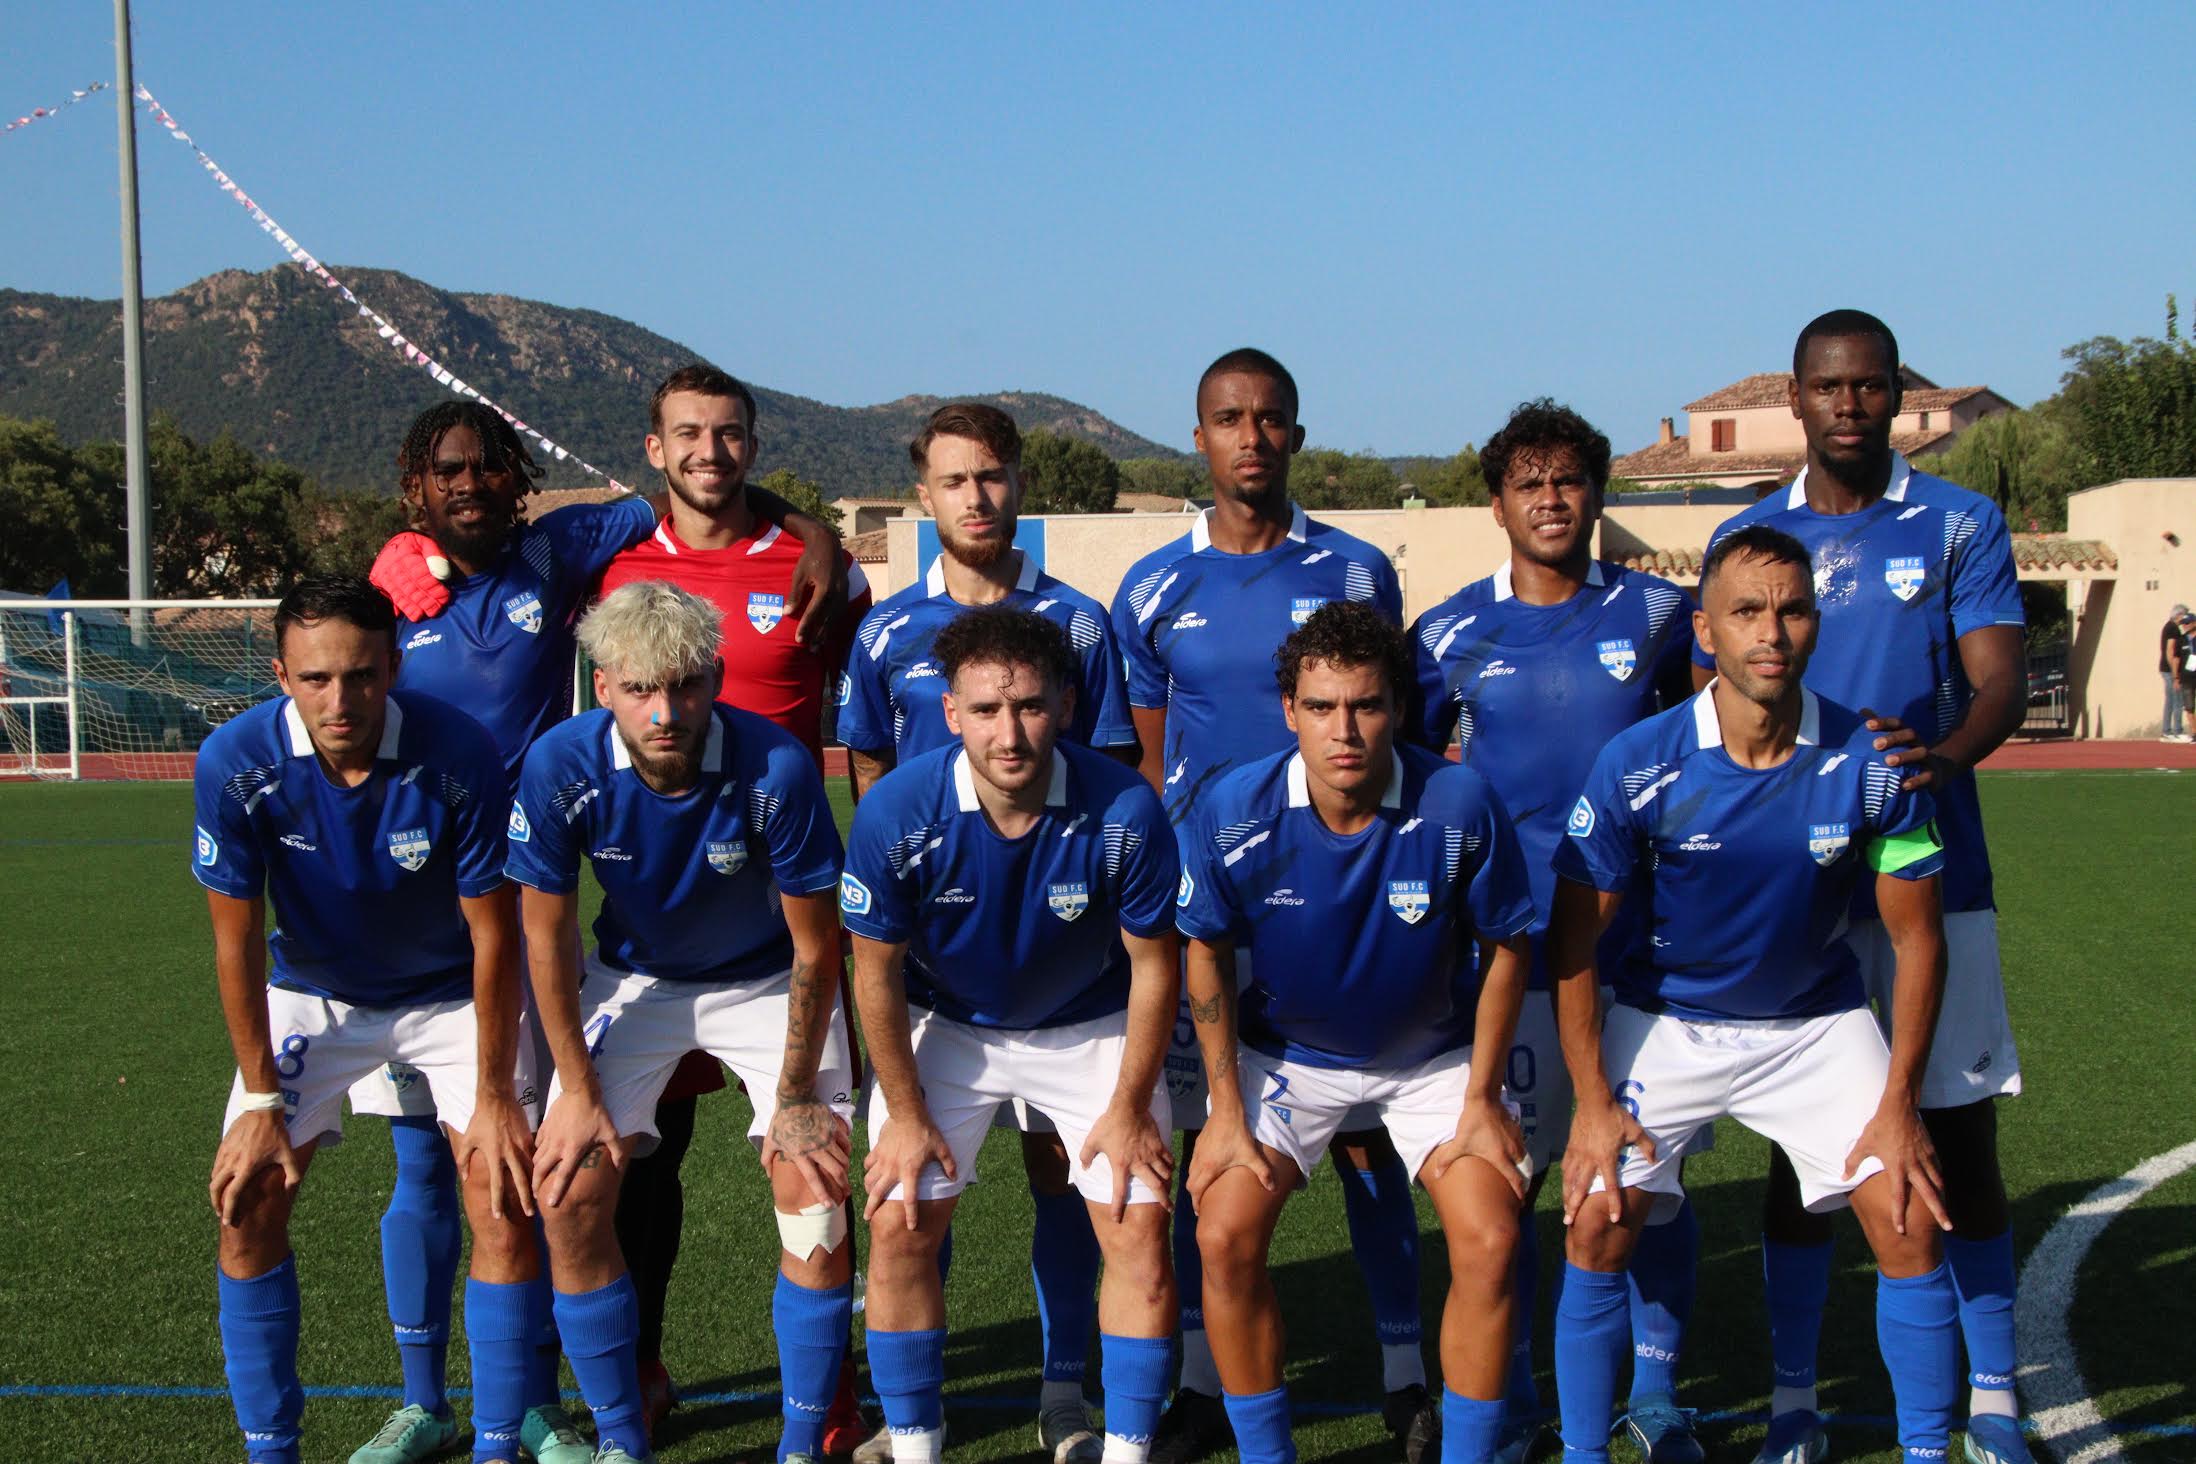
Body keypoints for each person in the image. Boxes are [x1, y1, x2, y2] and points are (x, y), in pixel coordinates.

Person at [357, 398, 850, 1460]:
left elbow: (705, 484)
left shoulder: (569, 545)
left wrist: (814, 530)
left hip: (729, 952)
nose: (472, 485)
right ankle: (457, 1402)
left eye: (491, 466)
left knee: (777, 1181)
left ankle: (567, 1407)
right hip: (431, 907)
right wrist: (388, 558)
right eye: (448, 471)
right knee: (458, 1168)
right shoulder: (391, 598)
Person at [1550, 524, 1961, 1464]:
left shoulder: (1873, 762)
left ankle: (1932, 1451)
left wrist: (1899, 1107)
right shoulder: (1639, 763)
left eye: (1792, 609)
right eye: (1746, 611)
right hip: (1671, 1021)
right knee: (1600, 1212)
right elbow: (1573, 939)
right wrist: (1591, 1104)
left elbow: (1917, 936)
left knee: (1904, 1214)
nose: (1771, 631)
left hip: (1817, 1025)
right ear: (1706, 632)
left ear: (1815, 625)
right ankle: (1583, 1451)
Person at [1701, 312, 2030, 1464]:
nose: (1850, 405)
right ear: (1796, 396)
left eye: (1872, 388)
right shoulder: (1750, 534)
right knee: (1808, 1155)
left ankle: (1992, 1399)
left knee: (1957, 1134)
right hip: (1798, 895)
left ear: (1899, 398)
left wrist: (1932, 764)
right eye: (1830, 388)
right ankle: (1797, 1401)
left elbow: (1997, 680)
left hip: (1935, 877)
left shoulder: (1959, 523)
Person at [1110, 349, 1430, 1463]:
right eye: (1229, 419)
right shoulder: (1151, 586)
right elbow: (1153, 770)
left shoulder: (1354, 571)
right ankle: (1204, 1380)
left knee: (1370, 1144)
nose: (1251, 436)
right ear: (1198, 437)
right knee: (1211, 1141)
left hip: (1339, 891)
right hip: (1214, 907)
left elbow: (1395, 732)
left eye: (1270, 419)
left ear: (1296, 434)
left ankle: (1405, 1377)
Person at [840, 401, 1137, 1463]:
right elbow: (875, 789)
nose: (977, 497)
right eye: (955, 480)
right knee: (920, 1193)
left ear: (1020, 486)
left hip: (1067, 969)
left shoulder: (1081, 622)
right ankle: (915, 1411)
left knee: (1067, 1176)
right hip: (939, 978)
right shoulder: (883, 630)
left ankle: (1066, 1388)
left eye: (995, 477)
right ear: (924, 494)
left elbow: (1107, 785)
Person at [1176, 600, 1537, 1464]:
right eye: (1324, 707)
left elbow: (1509, 944)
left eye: (1367, 705)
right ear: (1290, 711)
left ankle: (1468, 1455)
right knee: (1221, 1235)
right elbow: (1204, 952)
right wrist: (1224, 1109)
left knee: (1491, 1237)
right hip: (1289, 1058)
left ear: (1398, 710)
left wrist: (1482, 1097)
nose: (1347, 730)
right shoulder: (1233, 806)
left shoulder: (1459, 799)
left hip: (1432, 1062)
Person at [1407, 399, 1700, 1464]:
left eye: (1568, 480)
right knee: (1511, 1185)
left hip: (1637, 948)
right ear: (1497, 506)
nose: (1550, 500)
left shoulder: (1664, 614)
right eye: (1528, 484)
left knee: (1648, 1184)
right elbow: (1404, 775)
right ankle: (1515, 1391)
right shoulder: (1445, 633)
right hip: (1503, 952)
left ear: (1596, 493)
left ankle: (1657, 1392)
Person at [507, 581, 857, 1464]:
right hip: (635, 978)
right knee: (571, 1193)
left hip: (768, 977)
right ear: (602, 687)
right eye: (638, 689)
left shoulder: (777, 766)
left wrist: (790, 1100)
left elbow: (818, 950)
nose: (665, 713)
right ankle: (623, 1440)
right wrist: (577, 1092)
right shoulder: (560, 765)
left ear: (717, 678)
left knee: (813, 1192)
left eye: (688, 687)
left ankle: (800, 1445)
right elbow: (543, 940)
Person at [193, 575, 536, 1464]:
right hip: (317, 992)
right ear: (280, 674)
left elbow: (492, 933)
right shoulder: (236, 761)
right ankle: (273, 1450)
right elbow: (234, 947)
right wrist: (262, 1103)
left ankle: (497, 1443)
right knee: (247, 1200)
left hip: (453, 994)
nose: (338, 700)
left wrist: (495, 1091)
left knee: (502, 1194)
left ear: (392, 665)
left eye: (359, 675)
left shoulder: (457, 752)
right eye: (314, 679)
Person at [595, 364, 872, 1436]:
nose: (711, 452)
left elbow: (865, 705)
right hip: (654, 920)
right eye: (688, 436)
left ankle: (829, 1400)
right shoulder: (612, 564)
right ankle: (646, 1368)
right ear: (655, 451)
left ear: (754, 445)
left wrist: (814, 533)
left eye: (730, 434)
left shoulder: (814, 570)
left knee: (812, 1158)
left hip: (785, 919)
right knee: (643, 1164)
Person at [2161, 604, 2191, 742]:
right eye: (2185, 614)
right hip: (2169, 670)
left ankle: (2167, 731)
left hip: (2166, 669)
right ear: (2179, 615)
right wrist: (2175, 672)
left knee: (2170, 700)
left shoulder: (2169, 627)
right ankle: (2177, 730)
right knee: (2177, 699)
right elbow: (2170, 650)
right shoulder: (2172, 629)